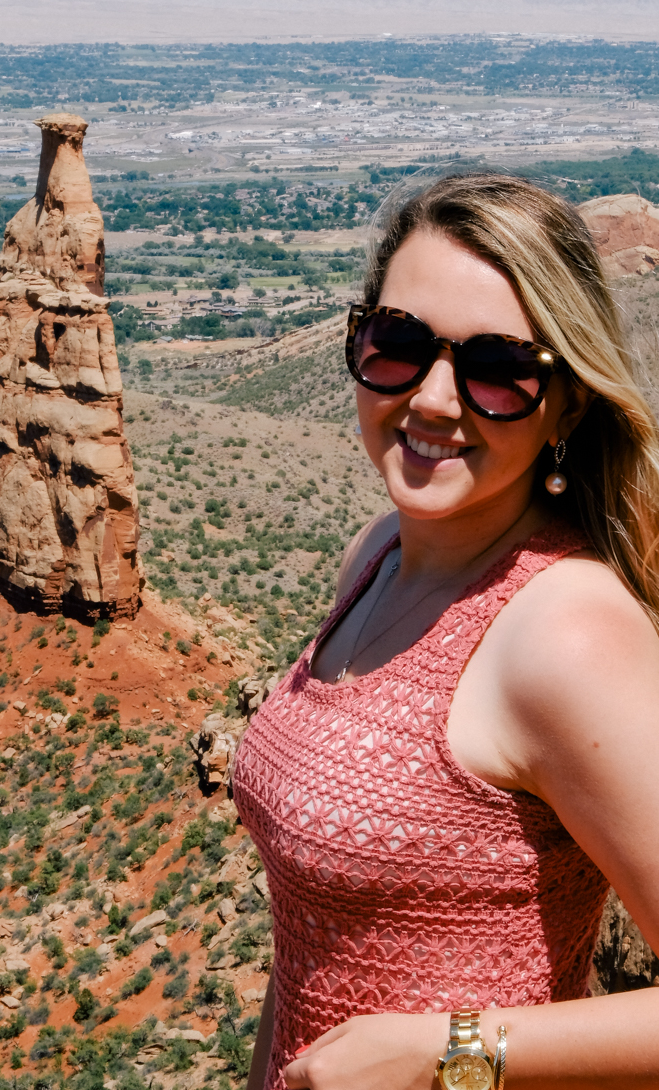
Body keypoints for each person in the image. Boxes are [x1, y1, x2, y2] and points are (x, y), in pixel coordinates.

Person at [233, 173, 659, 1090]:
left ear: (567, 404)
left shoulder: (565, 633)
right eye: (397, 344)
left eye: (497, 369)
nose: (432, 399)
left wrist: (446, 1050)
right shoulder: (377, 558)